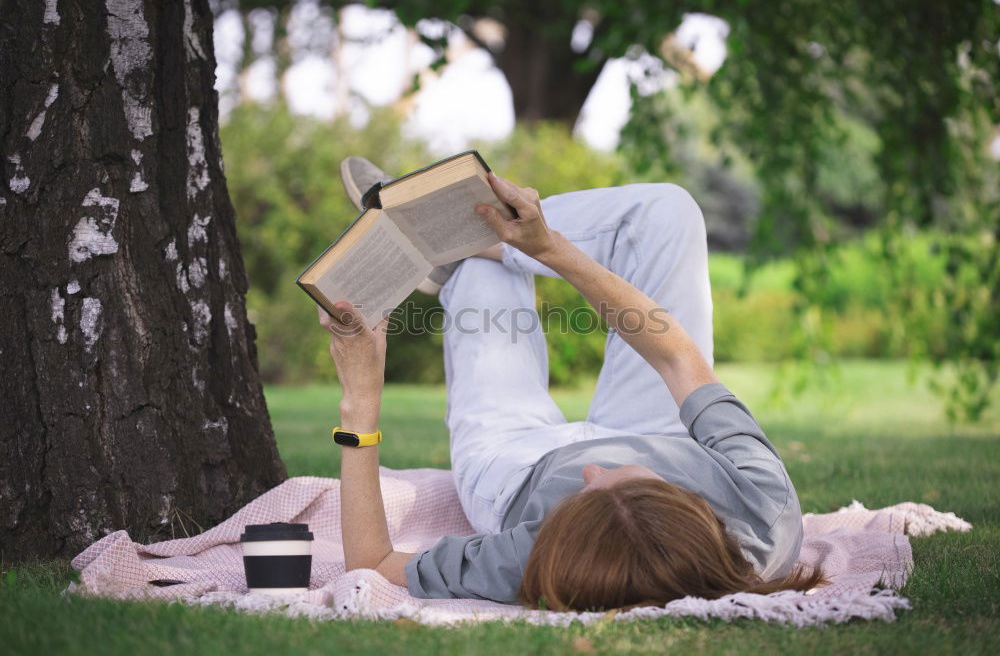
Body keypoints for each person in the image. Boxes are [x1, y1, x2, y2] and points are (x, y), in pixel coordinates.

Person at [320, 158, 823, 611]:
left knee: (479, 274)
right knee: (668, 211)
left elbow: (373, 560)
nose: (589, 471)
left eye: (585, 499)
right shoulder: (765, 511)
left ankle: (460, 247)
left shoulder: (539, 554)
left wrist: (360, 398)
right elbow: (675, 356)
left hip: (514, 466)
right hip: (658, 430)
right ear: (690, 501)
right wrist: (549, 247)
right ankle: (477, 238)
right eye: (618, 480)